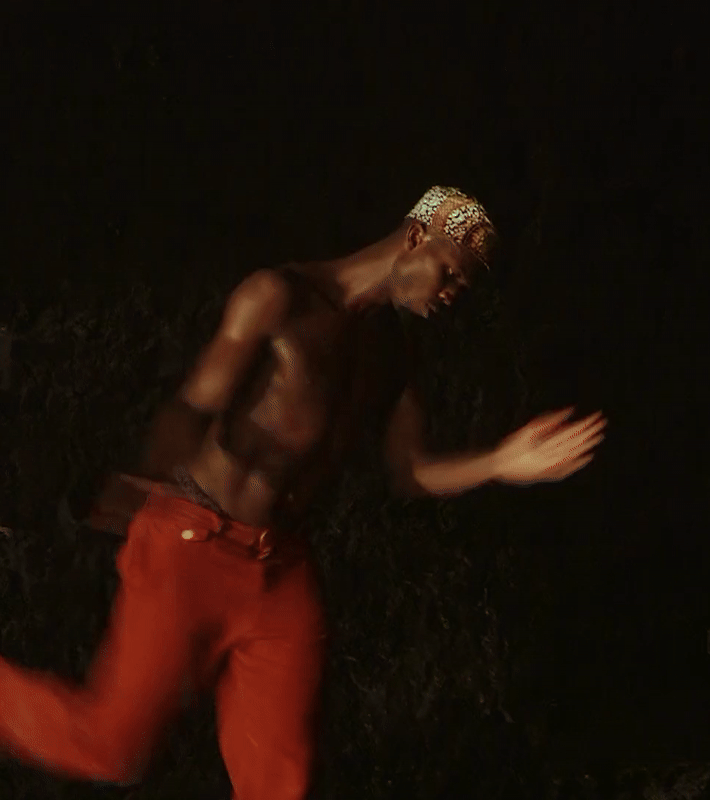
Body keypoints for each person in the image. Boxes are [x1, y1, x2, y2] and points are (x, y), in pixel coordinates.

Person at [0, 186, 607, 798]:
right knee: (110, 748)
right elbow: (191, 406)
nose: (451, 293)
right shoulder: (279, 297)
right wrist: (147, 495)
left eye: (463, 288)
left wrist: (503, 462)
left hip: (280, 573)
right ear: (416, 237)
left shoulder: (394, 354)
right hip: (195, 542)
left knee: (281, 788)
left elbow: (411, 471)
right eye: (450, 273)